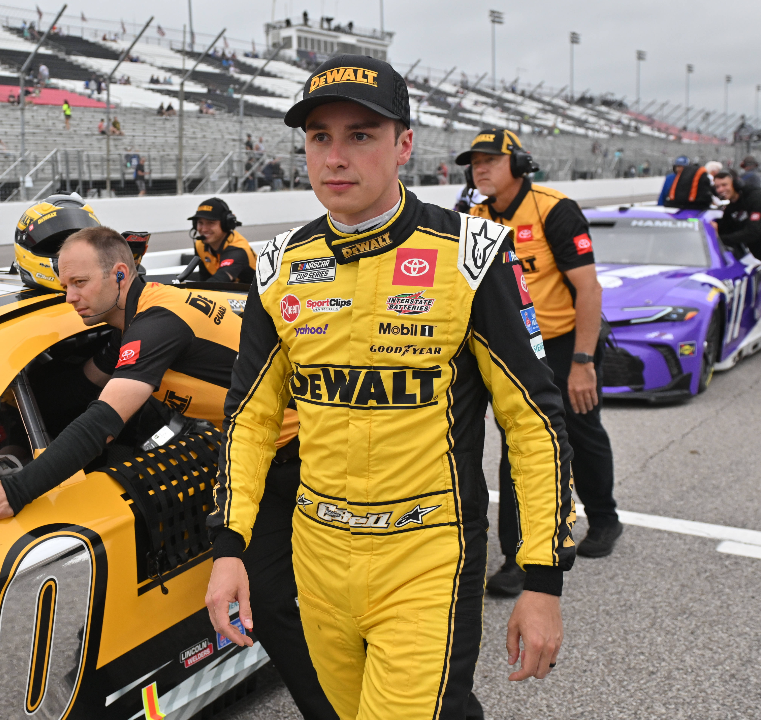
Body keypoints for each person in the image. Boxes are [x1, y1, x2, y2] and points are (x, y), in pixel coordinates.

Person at [205, 55, 574, 720]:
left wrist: (543, 577)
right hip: (315, 558)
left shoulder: (472, 254)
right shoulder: (280, 266)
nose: (337, 157)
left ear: (404, 145)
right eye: (320, 136)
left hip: (427, 555)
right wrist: (229, 546)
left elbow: (534, 421)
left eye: (361, 135)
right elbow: (250, 419)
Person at [0, 199, 338, 720]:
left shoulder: (157, 323)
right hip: (264, 452)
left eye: (80, 284)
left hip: (315, 449)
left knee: (290, 595)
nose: (71, 298)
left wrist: (17, 489)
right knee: (272, 597)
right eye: (65, 286)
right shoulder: (133, 323)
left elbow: (99, 421)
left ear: (119, 273)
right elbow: (78, 385)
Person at [459, 127, 619, 592]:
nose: (480, 168)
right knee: (518, 448)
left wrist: (584, 361)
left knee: (582, 427)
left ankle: (605, 519)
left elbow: (589, 289)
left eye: (490, 159)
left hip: (568, 339)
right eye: (475, 162)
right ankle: (518, 559)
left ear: (520, 164)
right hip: (517, 348)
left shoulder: (555, 209)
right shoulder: (473, 217)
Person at [185, 197, 256, 283]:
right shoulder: (200, 244)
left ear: (226, 224)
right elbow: (204, 279)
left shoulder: (238, 249)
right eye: (200, 223)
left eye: (210, 223)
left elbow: (220, 279)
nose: (203, 229)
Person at [712, 169, 761, 257]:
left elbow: (754, 232)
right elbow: (725, 229)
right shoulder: (730, 208)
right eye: (717, 187)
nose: (720, 189)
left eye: (724, 185)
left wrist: (720, 240)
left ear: (736, 183)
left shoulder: (755, 198)